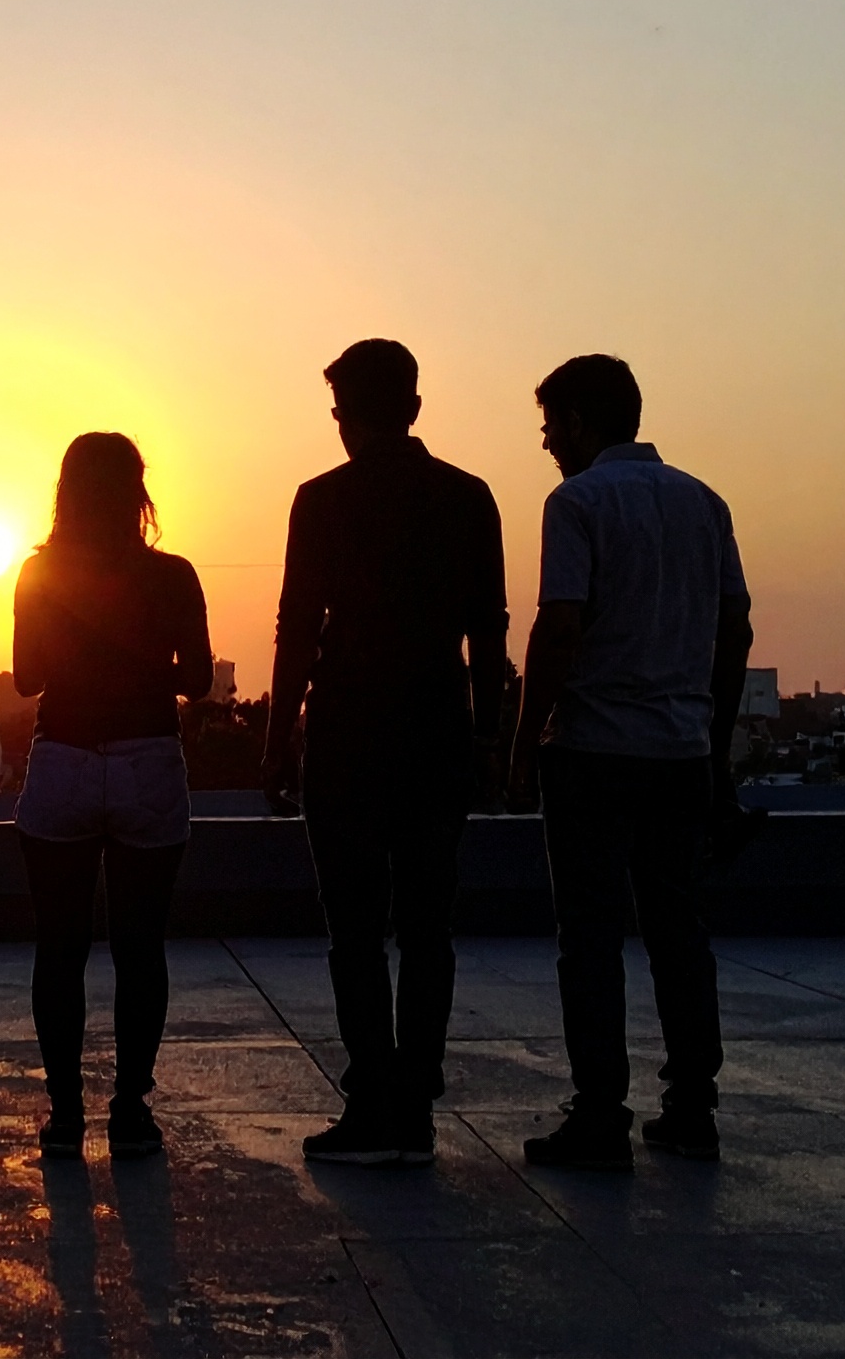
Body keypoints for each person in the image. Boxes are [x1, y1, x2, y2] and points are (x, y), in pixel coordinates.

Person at [263, 340, 508, 1167]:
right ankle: (418, 1094)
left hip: (349, 734)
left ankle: (375, 1094)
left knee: (357, 929)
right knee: (428, 926)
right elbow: (491, 631)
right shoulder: (469, 497)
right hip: (438, 728)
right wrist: (490, 736)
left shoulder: (324, 501)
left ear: (350, 414)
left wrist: (275, 741)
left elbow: (298, 624)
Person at [506, 354, 751, 1171]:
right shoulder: (704, 502)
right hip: (680, 754)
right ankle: (691, 1106)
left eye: (549, 427)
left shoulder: (575, 503)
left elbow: (560, 626)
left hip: (592, 753)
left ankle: (601, 1113)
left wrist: (518, 742)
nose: (545, 444)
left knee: (591, 937)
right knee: (680, 932)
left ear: (577, 421)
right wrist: (713, 748)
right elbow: (736, 631)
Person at [10, 433, 214, 1160]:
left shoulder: (38, 571)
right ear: (138, 490)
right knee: (140, 948)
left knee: (59, 948)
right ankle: (130, 1109)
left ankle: (65, 1114)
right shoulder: (173, 574)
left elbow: (26, 678)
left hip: (63, 755)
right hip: (148, 761)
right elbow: (198, 679)